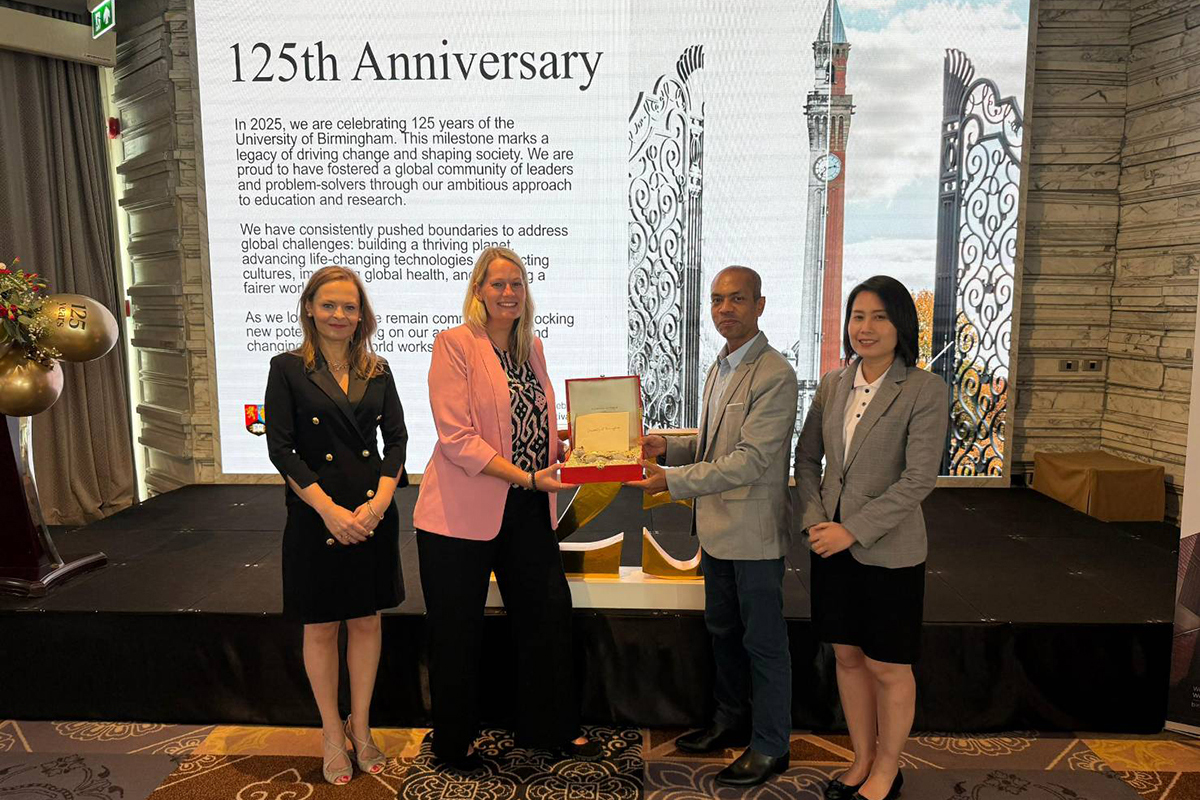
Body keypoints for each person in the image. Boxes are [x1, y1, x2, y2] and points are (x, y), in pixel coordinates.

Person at [413, 246, 602, 766]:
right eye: (497, 283)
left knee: (547, 617)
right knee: (456, 630)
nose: (508, 292)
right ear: (478, 290)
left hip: (528, 509)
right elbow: (457, 438)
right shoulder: (454, 344)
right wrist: (527, 477)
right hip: (459, 514)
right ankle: (454, 741)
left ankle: (550, 728)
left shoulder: (531, 348)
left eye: (517, 283)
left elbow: (529, 424)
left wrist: (576, 446)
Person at [630, 265, 798, 788]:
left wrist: (671, 479)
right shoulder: (720, 365)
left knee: (763, 643)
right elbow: (714, 444)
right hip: (719, 530)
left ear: (760, 305)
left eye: (737, 299)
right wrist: (669, 446)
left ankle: (771, 745)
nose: (725, 309)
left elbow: (750, 460)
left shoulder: (775, 373)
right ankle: (730, 720)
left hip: (754, 534)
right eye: (717, 299)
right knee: (724, 633)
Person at [794, 275, 949, 800]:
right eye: (858, 316)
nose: (866, 327)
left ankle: (887, 767)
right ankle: (861, 760)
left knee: (887, 664)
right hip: (828, 544)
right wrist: (815, 521)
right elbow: (806, 459)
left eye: (879, 317)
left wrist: (852, 530)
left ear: (901, 324)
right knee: (847, 656)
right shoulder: (833, 384)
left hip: (888, 550)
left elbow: (918, 479)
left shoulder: (924, 389)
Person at [264, 265, 408, 785]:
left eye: (350, 306)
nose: (339, 315)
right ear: (309, 308)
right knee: (321, 625)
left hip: (371, 515)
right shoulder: (286, 369)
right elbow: (281, 448)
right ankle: (330, 732)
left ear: (361, 314)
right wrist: (328, 509)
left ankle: (360, 727)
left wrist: (379, 504)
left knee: (367, 621)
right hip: (315, 515)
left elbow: (397, 441)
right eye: (329, 305)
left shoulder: (378, 369)